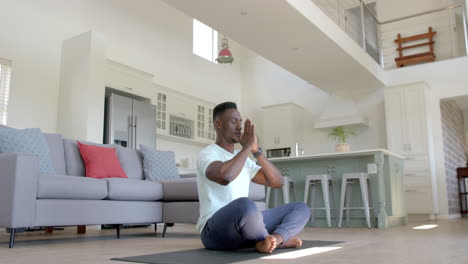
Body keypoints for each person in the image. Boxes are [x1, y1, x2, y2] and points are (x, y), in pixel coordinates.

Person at [196, 102, 310, 253]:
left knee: (300, 208)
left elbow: (277, 182)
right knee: (245, 205)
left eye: (240, 122)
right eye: (233, 121)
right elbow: (225, 177)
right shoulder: (208, 154)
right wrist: (247, 148)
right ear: (218, 124)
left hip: (245, 227)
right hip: (214, 230)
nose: (239, 127)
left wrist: (256, 151)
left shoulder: (243, 158)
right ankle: (266, 239)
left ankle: (273, 240)